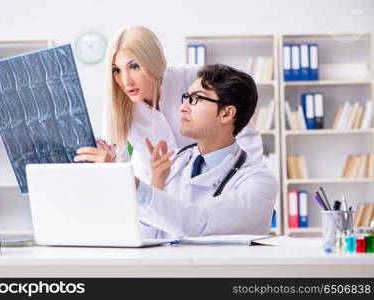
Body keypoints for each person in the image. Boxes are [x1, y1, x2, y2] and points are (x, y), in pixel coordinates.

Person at [75, 64, 278, 238]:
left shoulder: (258, 183)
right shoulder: (176, 163)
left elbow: (196, 223)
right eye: (186, 97)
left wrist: (122, 179)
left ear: (227, 113)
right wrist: (156, 186)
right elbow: (146, 236)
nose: (183, 107)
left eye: (196, 99)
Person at [76, 26, 263, 184]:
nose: (126, 81)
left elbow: (242, 130)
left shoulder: (194, 80)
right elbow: (121, 167)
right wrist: (109, 165)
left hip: (207, 184)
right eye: (116, 70)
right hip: (153, 191)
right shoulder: (116, 107)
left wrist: (244, 182)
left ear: (152, 60)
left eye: (134, 67)